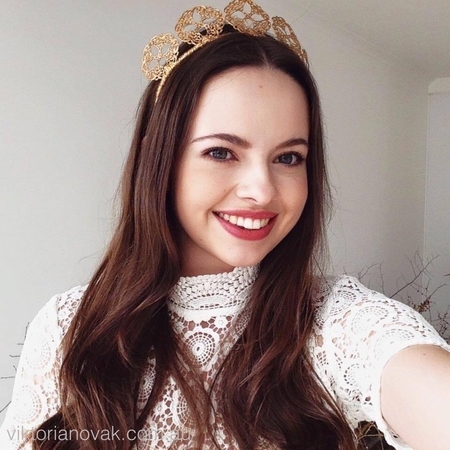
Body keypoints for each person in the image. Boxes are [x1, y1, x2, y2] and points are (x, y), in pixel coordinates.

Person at [1, 1, 450, 449]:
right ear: (160, 159)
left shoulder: (334, 323)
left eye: (288, 158)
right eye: (221, 152)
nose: (262, 191)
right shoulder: (68, 327)